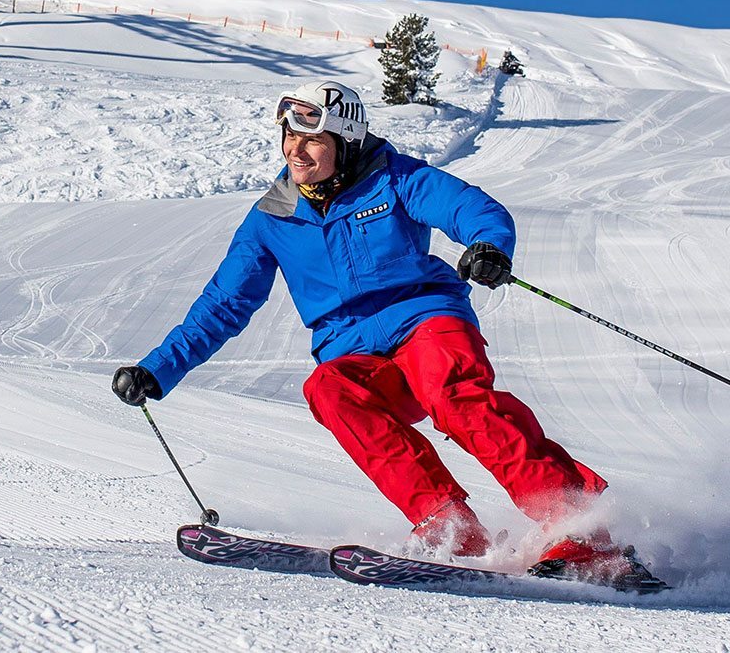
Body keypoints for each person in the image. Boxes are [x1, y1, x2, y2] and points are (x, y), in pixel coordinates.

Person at [112, 81, 659, 587]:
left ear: (345, 141)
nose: (295, 151)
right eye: (288, 137)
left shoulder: (394, 178)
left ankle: (580, 530)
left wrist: (488, 244)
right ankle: (448, 526)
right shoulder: (271, 218)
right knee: (328, 389)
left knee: (453, 394)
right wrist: (158, 368)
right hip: (355, 354)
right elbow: (225, 303)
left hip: (426, 321)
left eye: (311, 140)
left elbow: (471, 208)